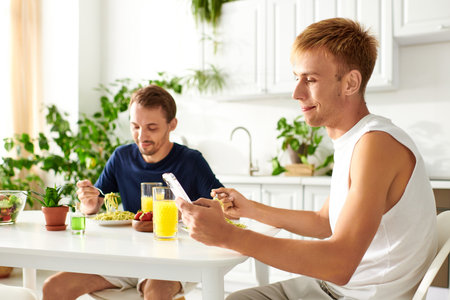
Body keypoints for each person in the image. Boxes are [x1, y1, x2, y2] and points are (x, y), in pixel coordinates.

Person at [176, 18, 437, 299]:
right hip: (332, 289)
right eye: (296, 77)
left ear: (350, 82)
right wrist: (250, 208)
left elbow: (339, 263)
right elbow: (324, 221)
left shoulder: (376, 145)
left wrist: (228, 236)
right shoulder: (355, 140)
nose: (296, 93)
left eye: (310, 79)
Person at [42, 84, 223, 300]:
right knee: (54, 287)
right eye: (135, 126)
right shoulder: (121, 157)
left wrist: (197, 211)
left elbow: (223, 208)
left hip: (175, 255)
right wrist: (89, 205)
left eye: (152, 127)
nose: (141, 135)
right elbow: (95, 200)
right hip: (128, 255)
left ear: (172, 125)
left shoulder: (191, 161)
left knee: (155, 293)